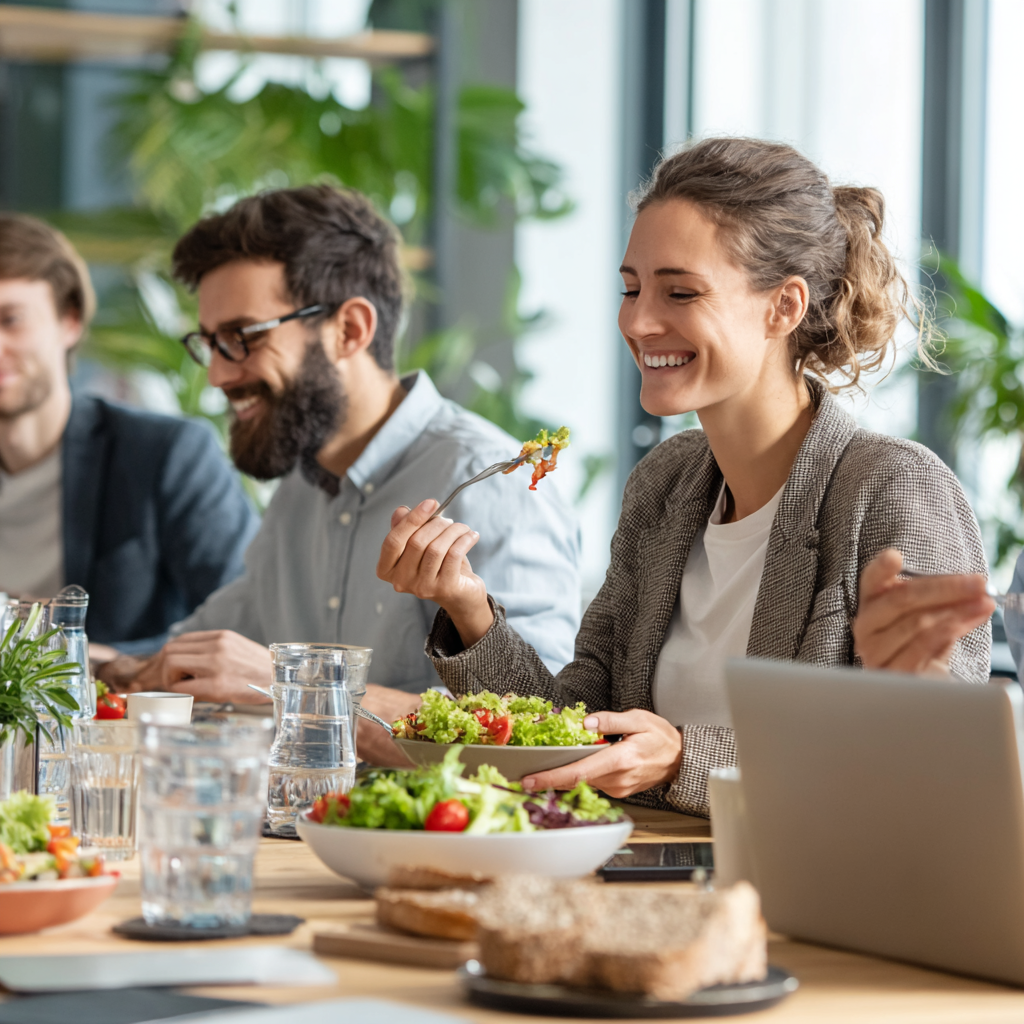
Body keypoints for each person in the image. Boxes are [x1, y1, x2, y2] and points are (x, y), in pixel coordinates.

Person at [376, 137, 992, 817]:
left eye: (680, 292)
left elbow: (933, 765)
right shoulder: (664, 484)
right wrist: (467, 606)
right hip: (635, 879)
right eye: (631, 288)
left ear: (783, 307)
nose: (638, 321)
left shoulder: (890, 488)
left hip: (808, 898)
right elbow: (579, 725)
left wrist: (684, 756)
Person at [98, 185, 580, 735]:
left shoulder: (486, 485)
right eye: (210, 343)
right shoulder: (299, 493)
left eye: (241, 338)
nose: (217, 375)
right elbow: (184, 658)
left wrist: (289, 684)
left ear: (350, 329)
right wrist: (88, 659)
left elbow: (542, 730)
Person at [0, 213, 258, 649]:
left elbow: (249, 626)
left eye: (11, 320)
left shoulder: (165, 455)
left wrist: (83, 660)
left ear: (70, 320)